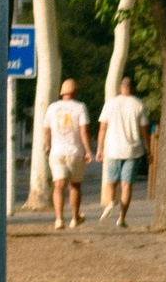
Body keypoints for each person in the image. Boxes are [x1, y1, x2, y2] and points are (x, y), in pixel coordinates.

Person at [41, 79, 91, 230]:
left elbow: (46, 129)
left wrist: (48, 144)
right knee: (75, 186)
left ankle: (59, 219)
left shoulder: (52, 108)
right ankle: (75, 218)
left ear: (62, 93)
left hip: (57, 152)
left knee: (58, 185)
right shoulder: (80, 107)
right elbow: (84, 131)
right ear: (75, 92)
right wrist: (88, 150)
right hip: (75, 152)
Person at [97, 77, 147, 228]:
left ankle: (112, 201)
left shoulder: (110, 104)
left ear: (120, 88)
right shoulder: (138, 104)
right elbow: (144, 129)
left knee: (111, 182)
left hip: (112, 149)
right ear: (132, 89)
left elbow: (102, 128)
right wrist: (148, 149)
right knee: (127, 185)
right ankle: (121, 218)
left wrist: (99, 149)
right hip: (132, 150)